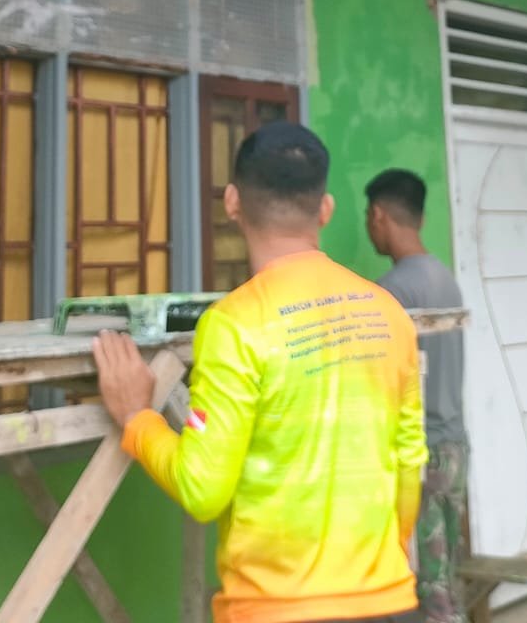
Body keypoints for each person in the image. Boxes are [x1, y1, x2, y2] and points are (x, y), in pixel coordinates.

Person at [92, 122, 427, 623]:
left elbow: (203, 490)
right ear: (326, 209)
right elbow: (409, 462)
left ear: (231, 202)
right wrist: (382, 565)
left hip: (275, 609)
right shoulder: (389, 313)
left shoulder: (235, 324)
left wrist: (137, 419)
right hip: (390, 602)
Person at [365, 170, 468, 623]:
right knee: (444, 580)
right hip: (454, 448)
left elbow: (378, 381)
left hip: (418, 459)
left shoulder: (392, 291)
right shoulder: (445, 279)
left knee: (427, 594)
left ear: (378, 215)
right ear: (421, 218)